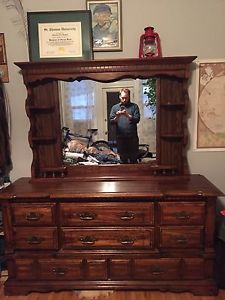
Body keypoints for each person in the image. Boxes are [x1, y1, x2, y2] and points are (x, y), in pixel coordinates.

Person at [109, 88, 140, 164]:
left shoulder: (134, 106)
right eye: (123, 98)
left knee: (133, 159)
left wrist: (127, 115)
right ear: (119, 97)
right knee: (123, 160)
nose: (124, 99)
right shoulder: (115, 107)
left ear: (129, 96)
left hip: (132, 138)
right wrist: (117, 116)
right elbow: (111, 122)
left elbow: (137, 120)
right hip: (120, 138)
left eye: (126, 97)